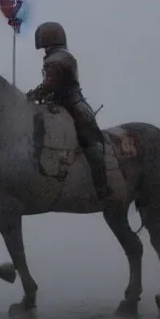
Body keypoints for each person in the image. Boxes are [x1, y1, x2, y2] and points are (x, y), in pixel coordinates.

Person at [26, 21, 113, 202]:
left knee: (90, 144)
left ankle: (103, 188)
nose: (42, 48)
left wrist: (35, 93)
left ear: (48, 40)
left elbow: (50, 84)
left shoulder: (59, 59)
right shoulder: (56, 57)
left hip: (73, 106)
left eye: (43, 43)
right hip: (56, 105)